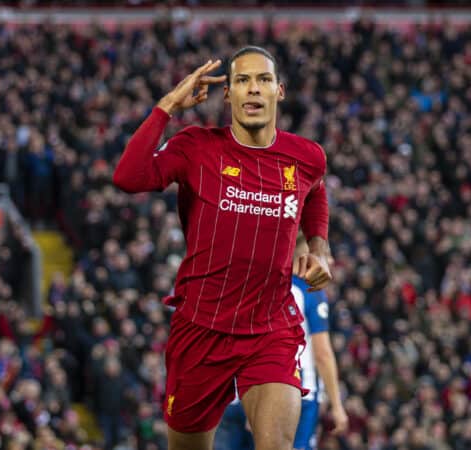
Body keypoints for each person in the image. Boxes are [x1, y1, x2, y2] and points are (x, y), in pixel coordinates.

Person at [113, 46, 332, 450]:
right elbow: (128, 176)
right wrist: (167, 107)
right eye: (242, 81)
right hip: (201, 328)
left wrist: (318, 246)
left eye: (263, 80)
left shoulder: (306, 158)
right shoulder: (196, 147)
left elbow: (316, 193)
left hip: (270, 328)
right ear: (227, 94)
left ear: (278, 91)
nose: (253, 89)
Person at [215, 233, 348, 450]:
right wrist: (337, 404)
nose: (330, 261)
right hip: (296, 391)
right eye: (325, 255)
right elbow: (322, 354)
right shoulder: (309, 293)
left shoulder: (262, 285)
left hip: (241, 391)